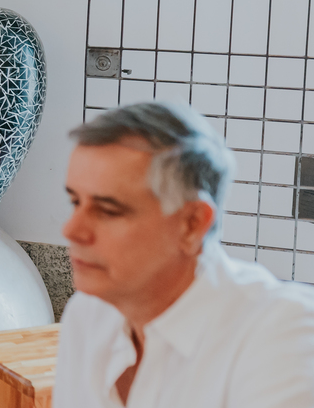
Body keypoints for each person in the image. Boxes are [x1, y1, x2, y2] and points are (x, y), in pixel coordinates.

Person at [55, 102, 314, 407]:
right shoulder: (88, 313)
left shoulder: (282, 336)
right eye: (75, 202)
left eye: (109, 211)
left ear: (192, 225)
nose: (72, 230)